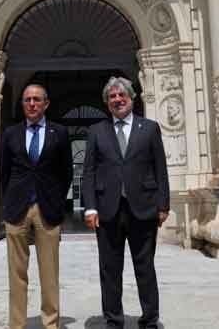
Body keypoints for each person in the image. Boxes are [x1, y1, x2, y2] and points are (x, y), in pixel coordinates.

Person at [82, 76, 170, 329]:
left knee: (145, 268)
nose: (117, 100)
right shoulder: (97, 131)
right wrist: (90, 207)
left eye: (122, 95)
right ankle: (113, 320)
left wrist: (163, 205)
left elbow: (160, 168)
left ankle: (150, 320)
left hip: (143, 208)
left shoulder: (150, 128)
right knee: (110, 270)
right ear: (107, 102)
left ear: (132, 98)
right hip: (107, 210)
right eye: (112, 96)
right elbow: (88, 172)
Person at [0, 84, 73, 329]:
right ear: (22, 104)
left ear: (46, 104)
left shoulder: (59, 132)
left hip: (47, 209)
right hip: (17, 208)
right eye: (28, 99)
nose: (32, 104)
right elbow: (6, 172)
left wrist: (56, 200)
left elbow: (67, 172)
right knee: (16, 273)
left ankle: (50, 323)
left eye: (37, 100)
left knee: (49, 273)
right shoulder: (10, 133)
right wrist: (10, 201)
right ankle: (17, 324)